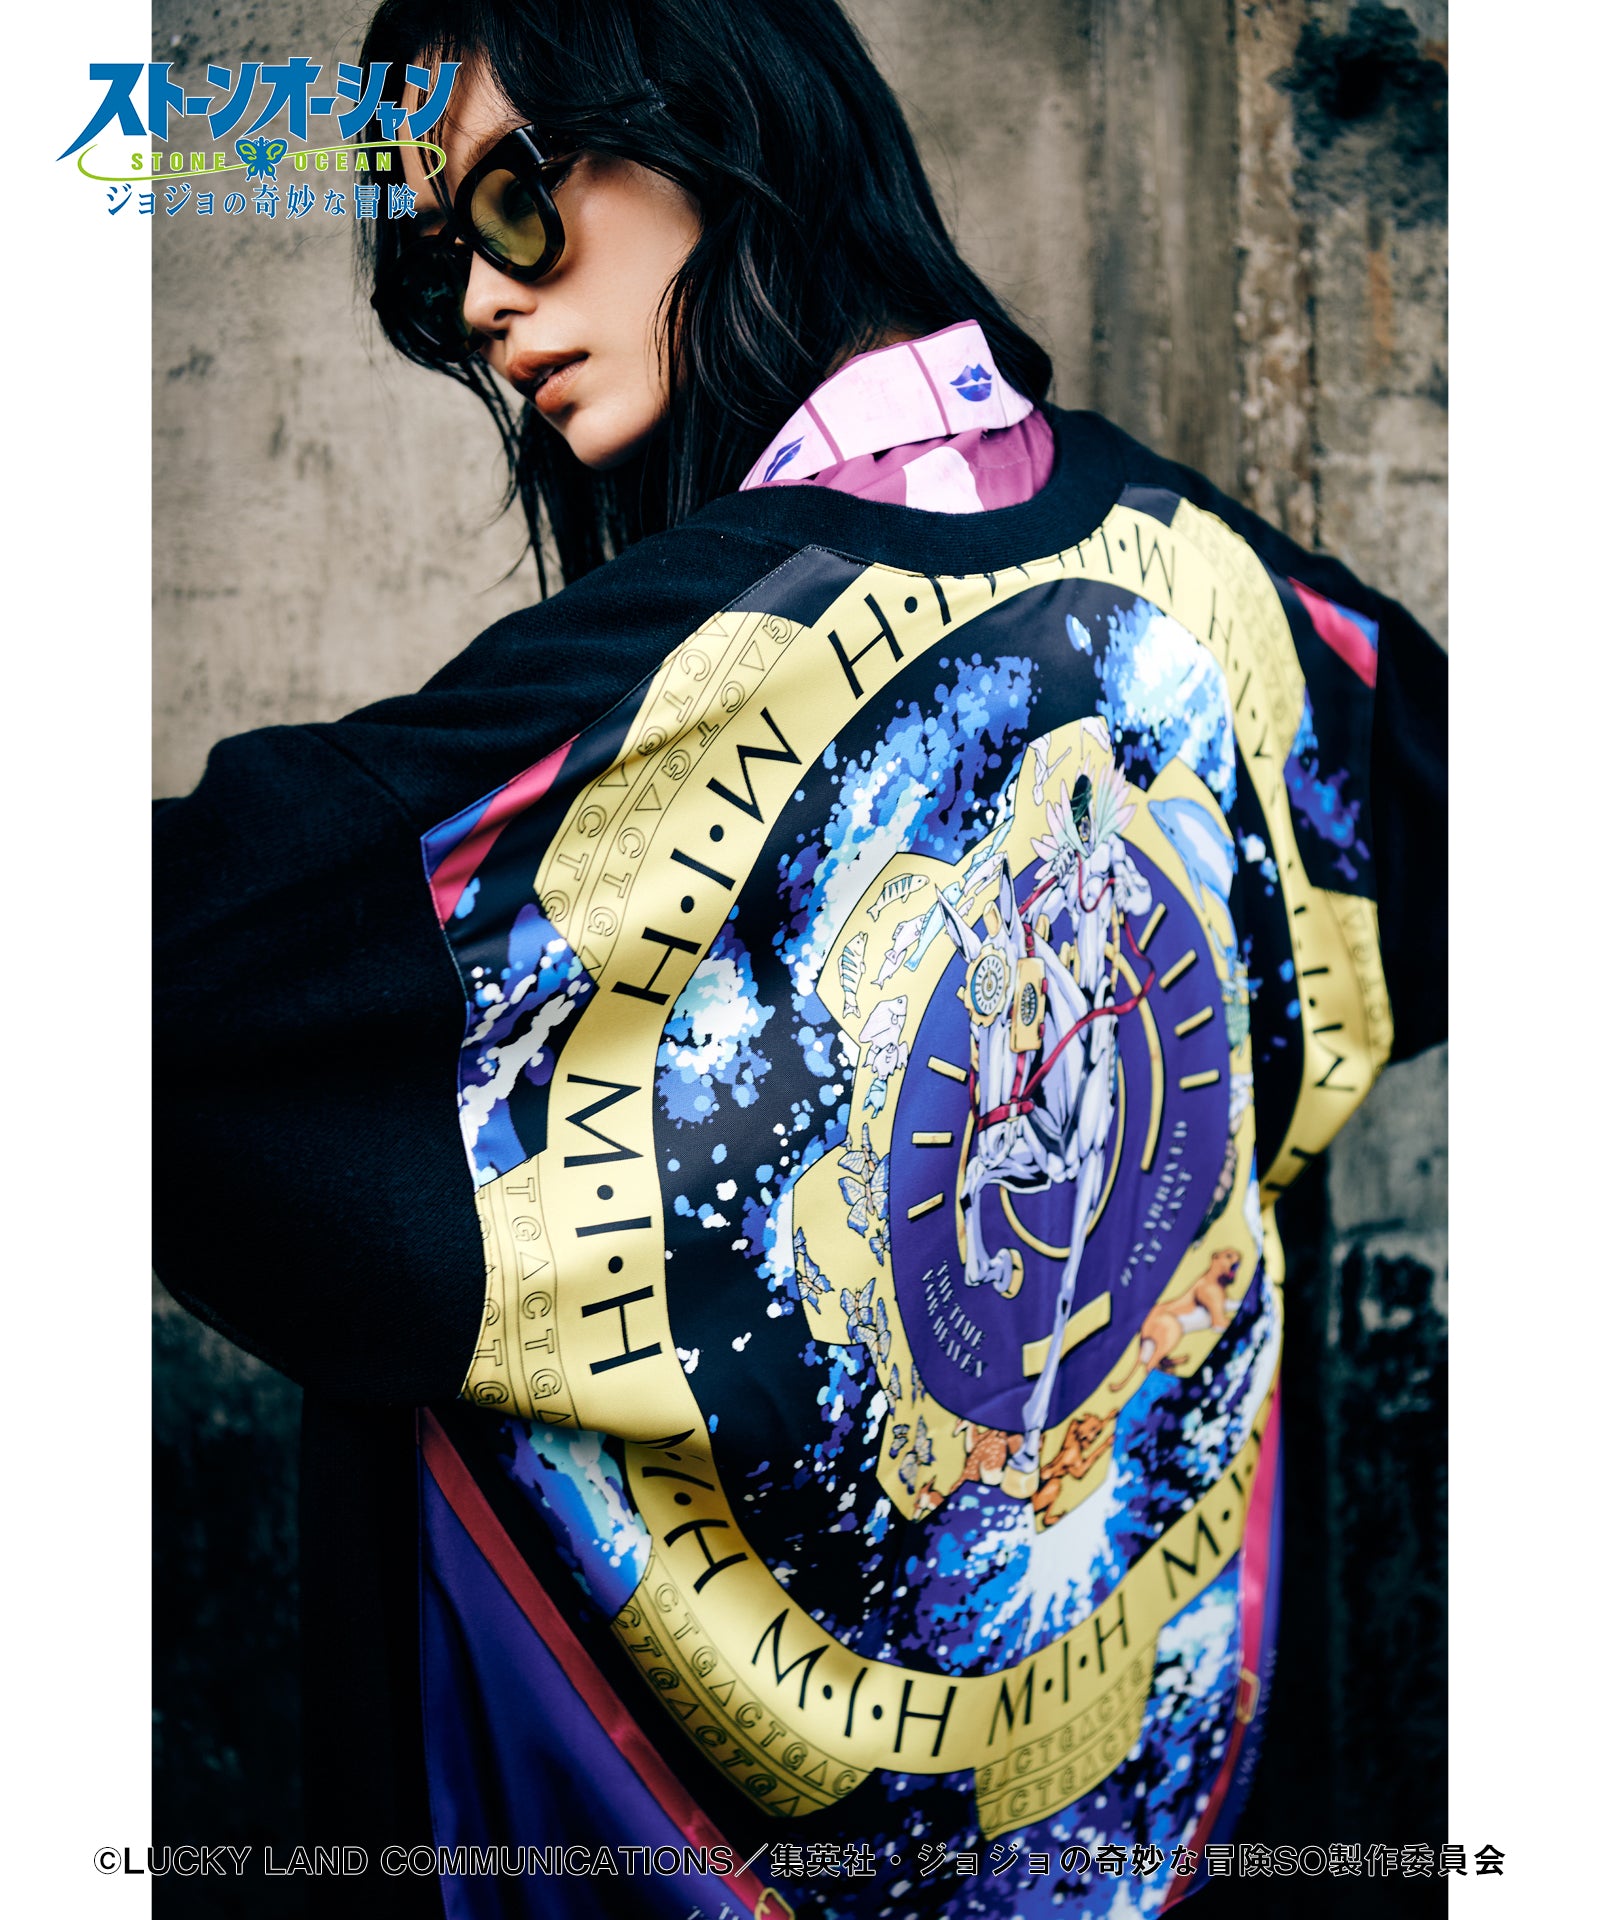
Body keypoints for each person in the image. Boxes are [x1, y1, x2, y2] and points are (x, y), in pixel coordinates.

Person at [152, 2, 1447, 1915]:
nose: (487, 305)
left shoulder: (669, 683)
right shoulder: (1220, 589)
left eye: (511, 206)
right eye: (439, 270)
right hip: (1143, 1798)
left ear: (716, 130)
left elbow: (164, 981)